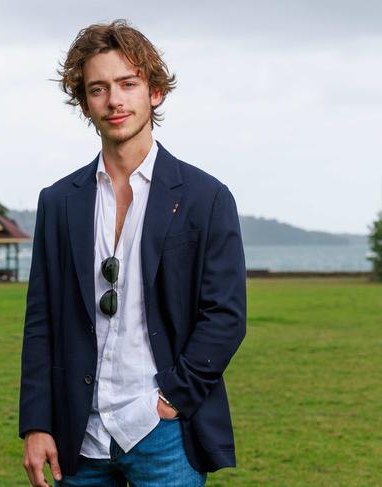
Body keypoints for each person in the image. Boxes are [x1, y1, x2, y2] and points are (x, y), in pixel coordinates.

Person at [19, 19, 247, 487]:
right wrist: (36, 422)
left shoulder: (207, 197)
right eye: (98, 89)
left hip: (163, 430)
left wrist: (172, 399)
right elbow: (41, 321)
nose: (114, 100)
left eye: (128, 84)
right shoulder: (58, 201)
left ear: (155, 92)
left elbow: (225, 315)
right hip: (77, 433)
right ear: (84, 102)